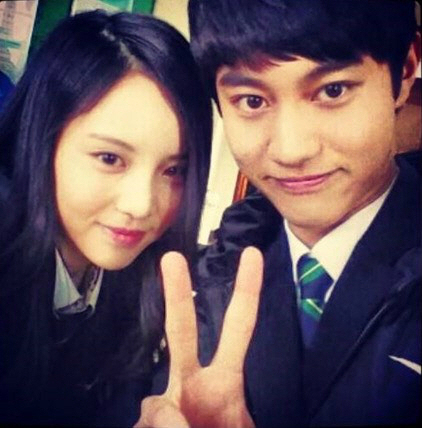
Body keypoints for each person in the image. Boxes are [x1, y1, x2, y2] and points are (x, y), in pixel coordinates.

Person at [137, 0, 421, 427]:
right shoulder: (213, 278)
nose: (291, 150)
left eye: (333, 90)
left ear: (405, 71)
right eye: (252, 100)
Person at [0, 9, 212, 427]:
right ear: (42, 138)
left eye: (174, 170)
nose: (141, 205)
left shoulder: (142, 281)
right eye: (110, 158)